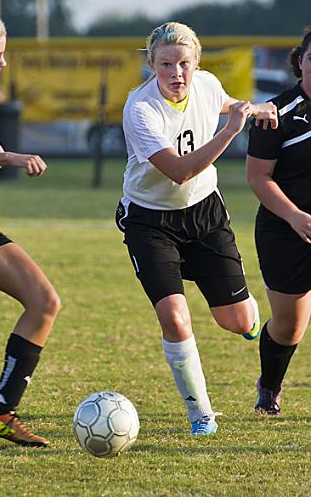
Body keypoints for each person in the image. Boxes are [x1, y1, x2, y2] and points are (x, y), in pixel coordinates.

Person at [115, 21, 278, 435]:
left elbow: (223, 102)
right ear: (151, 65)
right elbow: (180, 171)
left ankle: (247, 317)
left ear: (197, 64)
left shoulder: (205, 84)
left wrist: (256, 107)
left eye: (184, 64)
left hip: (205, 215)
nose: (176, 74)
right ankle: (200, 413)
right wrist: (231, 131)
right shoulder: (140, 109)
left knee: (237, 322)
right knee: (174, 317)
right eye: (166, 64)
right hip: (151, 221)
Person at [0, 13, 60, 447]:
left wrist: (8, 154)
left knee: (44, 301)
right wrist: (6, 159)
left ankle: (1, 414)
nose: (2, 64)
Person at [247, 28, 311, 416]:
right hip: (284, 230)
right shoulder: (275, 114)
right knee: (289, 327)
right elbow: (258, 178)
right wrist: (295, 216)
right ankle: (269, 386)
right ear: (300, 62)